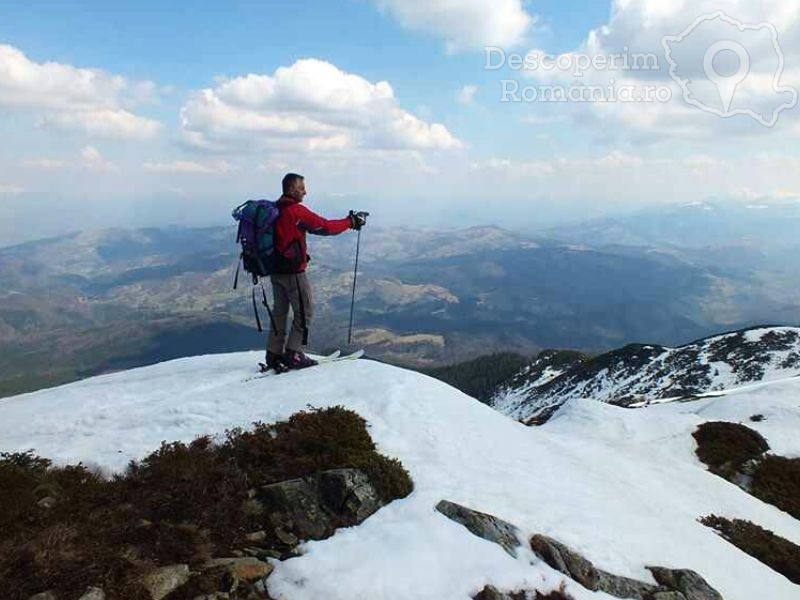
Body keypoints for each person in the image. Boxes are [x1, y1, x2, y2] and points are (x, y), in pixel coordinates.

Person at [266, 173, 368, 372]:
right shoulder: (295, 211)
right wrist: (351, 222)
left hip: (274, 272)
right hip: (293, 273)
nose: (305, 191)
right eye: (302, 187)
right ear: (292, 189)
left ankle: (273, 354)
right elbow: (326, 227)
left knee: (279, 312)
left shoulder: (273, 209)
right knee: (304, 313)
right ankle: (293, 354)